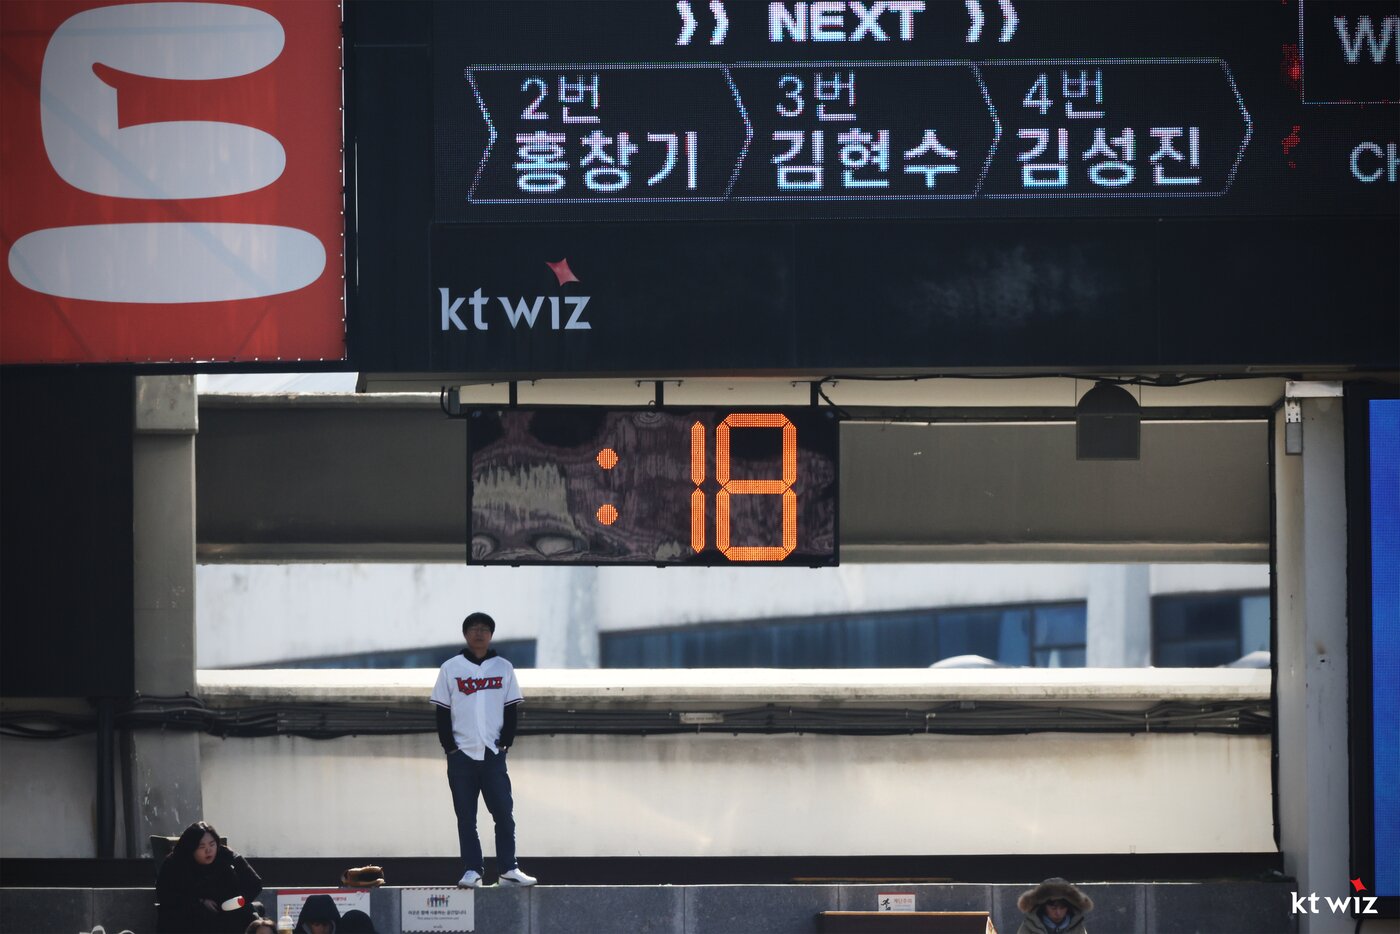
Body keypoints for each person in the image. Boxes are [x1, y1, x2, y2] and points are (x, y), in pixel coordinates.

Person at [431, 611, 537, 888]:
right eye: (473, 628)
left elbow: (511, 708)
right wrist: (450, 748)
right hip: (461, 756)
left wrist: (505, 743)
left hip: (492, 754)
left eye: (484, 629)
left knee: (503, 813)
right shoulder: (450, 668)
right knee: (466, 817)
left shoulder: (503, 667)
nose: (479, 633)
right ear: (465, 634)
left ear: (491, 635)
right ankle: (472, 871)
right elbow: (442, 712)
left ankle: (508, 869)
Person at [155, 820, 261, 933]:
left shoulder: (225, 855)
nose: (208, 850)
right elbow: (165, 895)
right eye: (201, 847)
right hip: (189, 917)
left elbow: (254, 883)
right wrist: (199, 902)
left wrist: (239, 901)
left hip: (226, 913)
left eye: (212, 844)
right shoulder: (175, 862)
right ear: (191, 848)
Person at [1016, 877, 1094, 933]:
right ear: (1043, 906)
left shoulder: (1077, 927)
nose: (1058, 912)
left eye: (1062, 907)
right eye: (1053, 908)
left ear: (1069, 907)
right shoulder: (1029, 927)